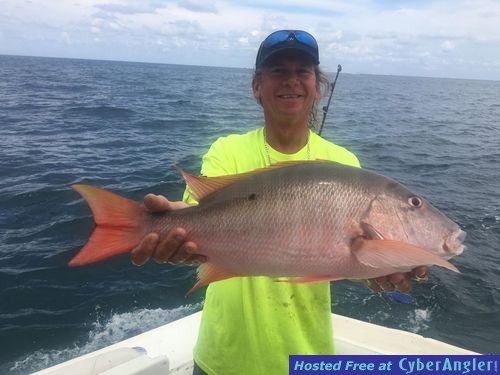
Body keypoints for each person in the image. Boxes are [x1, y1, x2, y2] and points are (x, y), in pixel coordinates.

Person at [131, 30, 428, 375]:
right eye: (278, 71)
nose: (291, 81)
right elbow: (196, 218)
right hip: (222, 357)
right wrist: (169, 225)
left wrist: (382, 273)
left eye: (303, 71)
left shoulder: (343, 162)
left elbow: (346, 261)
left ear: (317, 86)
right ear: (257, 86)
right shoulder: (226, 150)